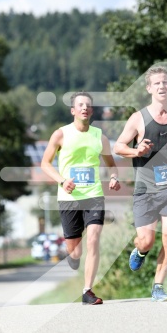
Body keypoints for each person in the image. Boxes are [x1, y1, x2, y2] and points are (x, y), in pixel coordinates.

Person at [114, 65, 167, 302]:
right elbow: (118, 147)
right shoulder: (138, 118)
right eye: (157, 83)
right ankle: (140, 249)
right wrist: (136, 150)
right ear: (149, 88)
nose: (162, 86)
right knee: (147, 240)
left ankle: (158, 286)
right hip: (146, 190)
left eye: (165, 82)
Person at [41, 91, 121, 305]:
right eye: (80, 105)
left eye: (88, 105)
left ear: (92, 110)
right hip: (69, 198)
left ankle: (87, 291)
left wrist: (113, 177)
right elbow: (45, 164)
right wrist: (61, 180)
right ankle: (73, 257)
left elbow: (112, 165)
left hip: (94, 195)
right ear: (73, 110)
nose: (84, 108)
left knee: (93, 238)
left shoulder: (100, 137)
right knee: (74, 250)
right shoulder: (60, 134)